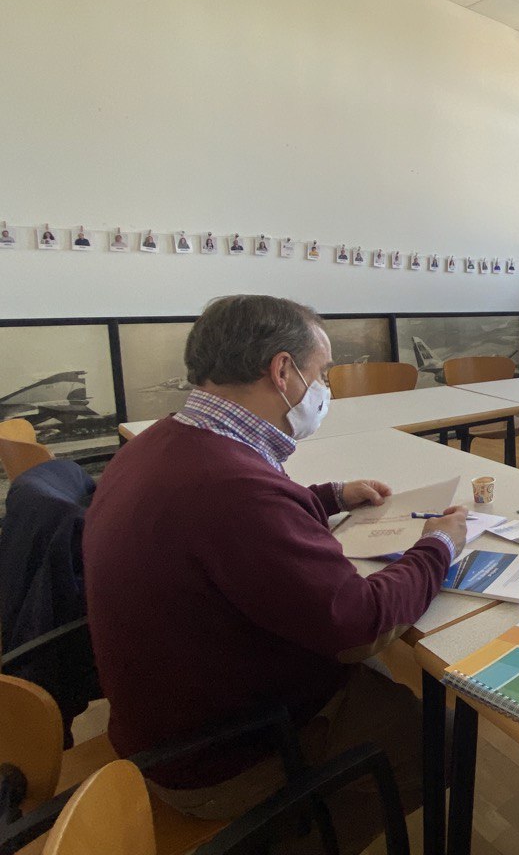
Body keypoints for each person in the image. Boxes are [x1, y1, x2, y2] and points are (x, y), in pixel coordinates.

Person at [83, 295, 467, 854]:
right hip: (221, 758)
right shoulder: (232, 489)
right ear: (282, 371)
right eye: (322, 373)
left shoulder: (166, 440)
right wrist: (438, 546)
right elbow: (358, 625)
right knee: (445, 741)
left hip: (166, 722)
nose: (326, 388)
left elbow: (242, 518)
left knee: (380, 677)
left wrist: (328, 497)